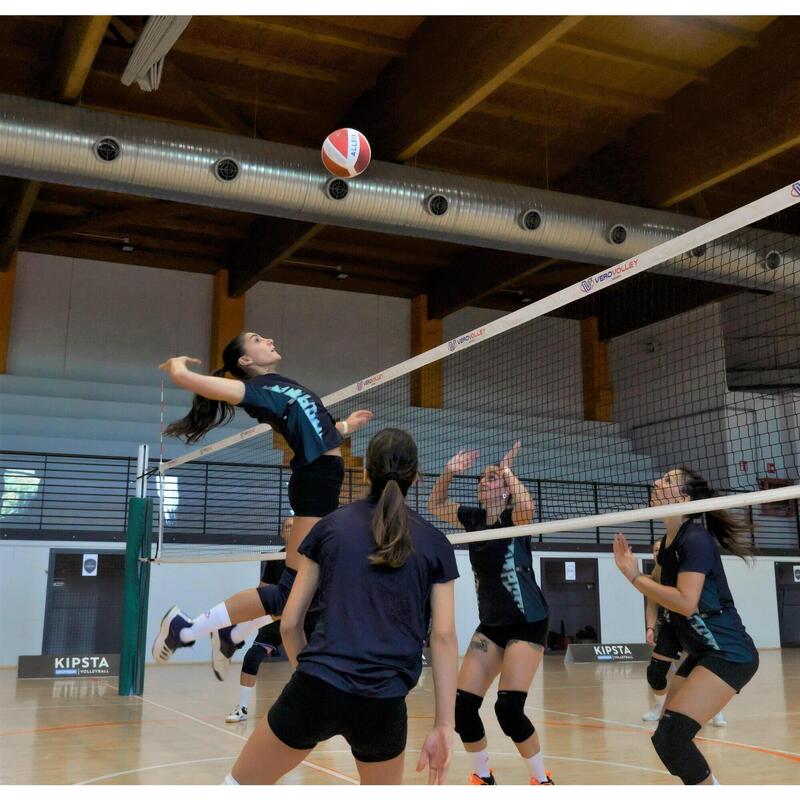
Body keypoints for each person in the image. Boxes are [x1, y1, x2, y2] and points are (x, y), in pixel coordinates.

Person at [224, 428, 459, 785]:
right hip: (384, 703)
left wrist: (311, 675)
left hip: (317, 686)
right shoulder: (436, 543)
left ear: (365, 473)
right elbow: (442, 637)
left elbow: (289, 622)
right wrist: (444, 725)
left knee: (237, 787)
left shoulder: (330, 527)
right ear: (417, 476)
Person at [151, 333, 373, 672]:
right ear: (245, 360)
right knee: (291, 593)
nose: (268, 339)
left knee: (312, 595)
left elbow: (313, 430)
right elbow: (207, 386)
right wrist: (180, 372)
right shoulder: (257, 392)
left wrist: (345, 425)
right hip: (315, 485)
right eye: (257, 339)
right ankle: (186, 628)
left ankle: (233, 632)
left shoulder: (281, 385)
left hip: (324, 481)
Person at [614, 467, 758, 785]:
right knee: (666, 740)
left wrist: (633, 576)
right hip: (702, 651)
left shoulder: (695, 539)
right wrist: (638, 581)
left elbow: (685, 601)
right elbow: (654, 589)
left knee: (672, 739)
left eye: (666, 481)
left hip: (729, 653)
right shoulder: (669, 542)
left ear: (684, 497)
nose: (655, 482)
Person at [428, 441, 554, 786]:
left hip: (527, 622)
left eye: (491, 477)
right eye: (481, 478)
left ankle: (542, 781)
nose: (484, 481)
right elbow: (435, 504)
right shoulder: (473, 518)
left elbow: (528, 506)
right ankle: (484, 777)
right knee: (463, 707)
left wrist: (508, 471)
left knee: (508, 709)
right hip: (493, 624)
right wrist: (450, 472)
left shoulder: (516, 517)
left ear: (505, 488)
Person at [224, 517, 320, 723]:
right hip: (278, 616)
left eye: (295, 527)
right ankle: (242, 707)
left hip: (310, 618)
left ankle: (314, 709)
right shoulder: (276, 558)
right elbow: (263, 589)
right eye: (287, 527)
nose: (291, 530)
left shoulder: (313, 555)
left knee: (311, 663)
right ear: (282, 533)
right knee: (253, 656)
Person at [643, 537, 726, 727]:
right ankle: (660, 706)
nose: (658, 553)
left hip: (693, 624)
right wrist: (650, 627)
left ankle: (715, 710)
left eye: (660, 549)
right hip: (670, 626)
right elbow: (652, 604)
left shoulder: (684, 569)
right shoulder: (654, 576)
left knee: (704, 671)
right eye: (655, 550)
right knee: (655, 673)